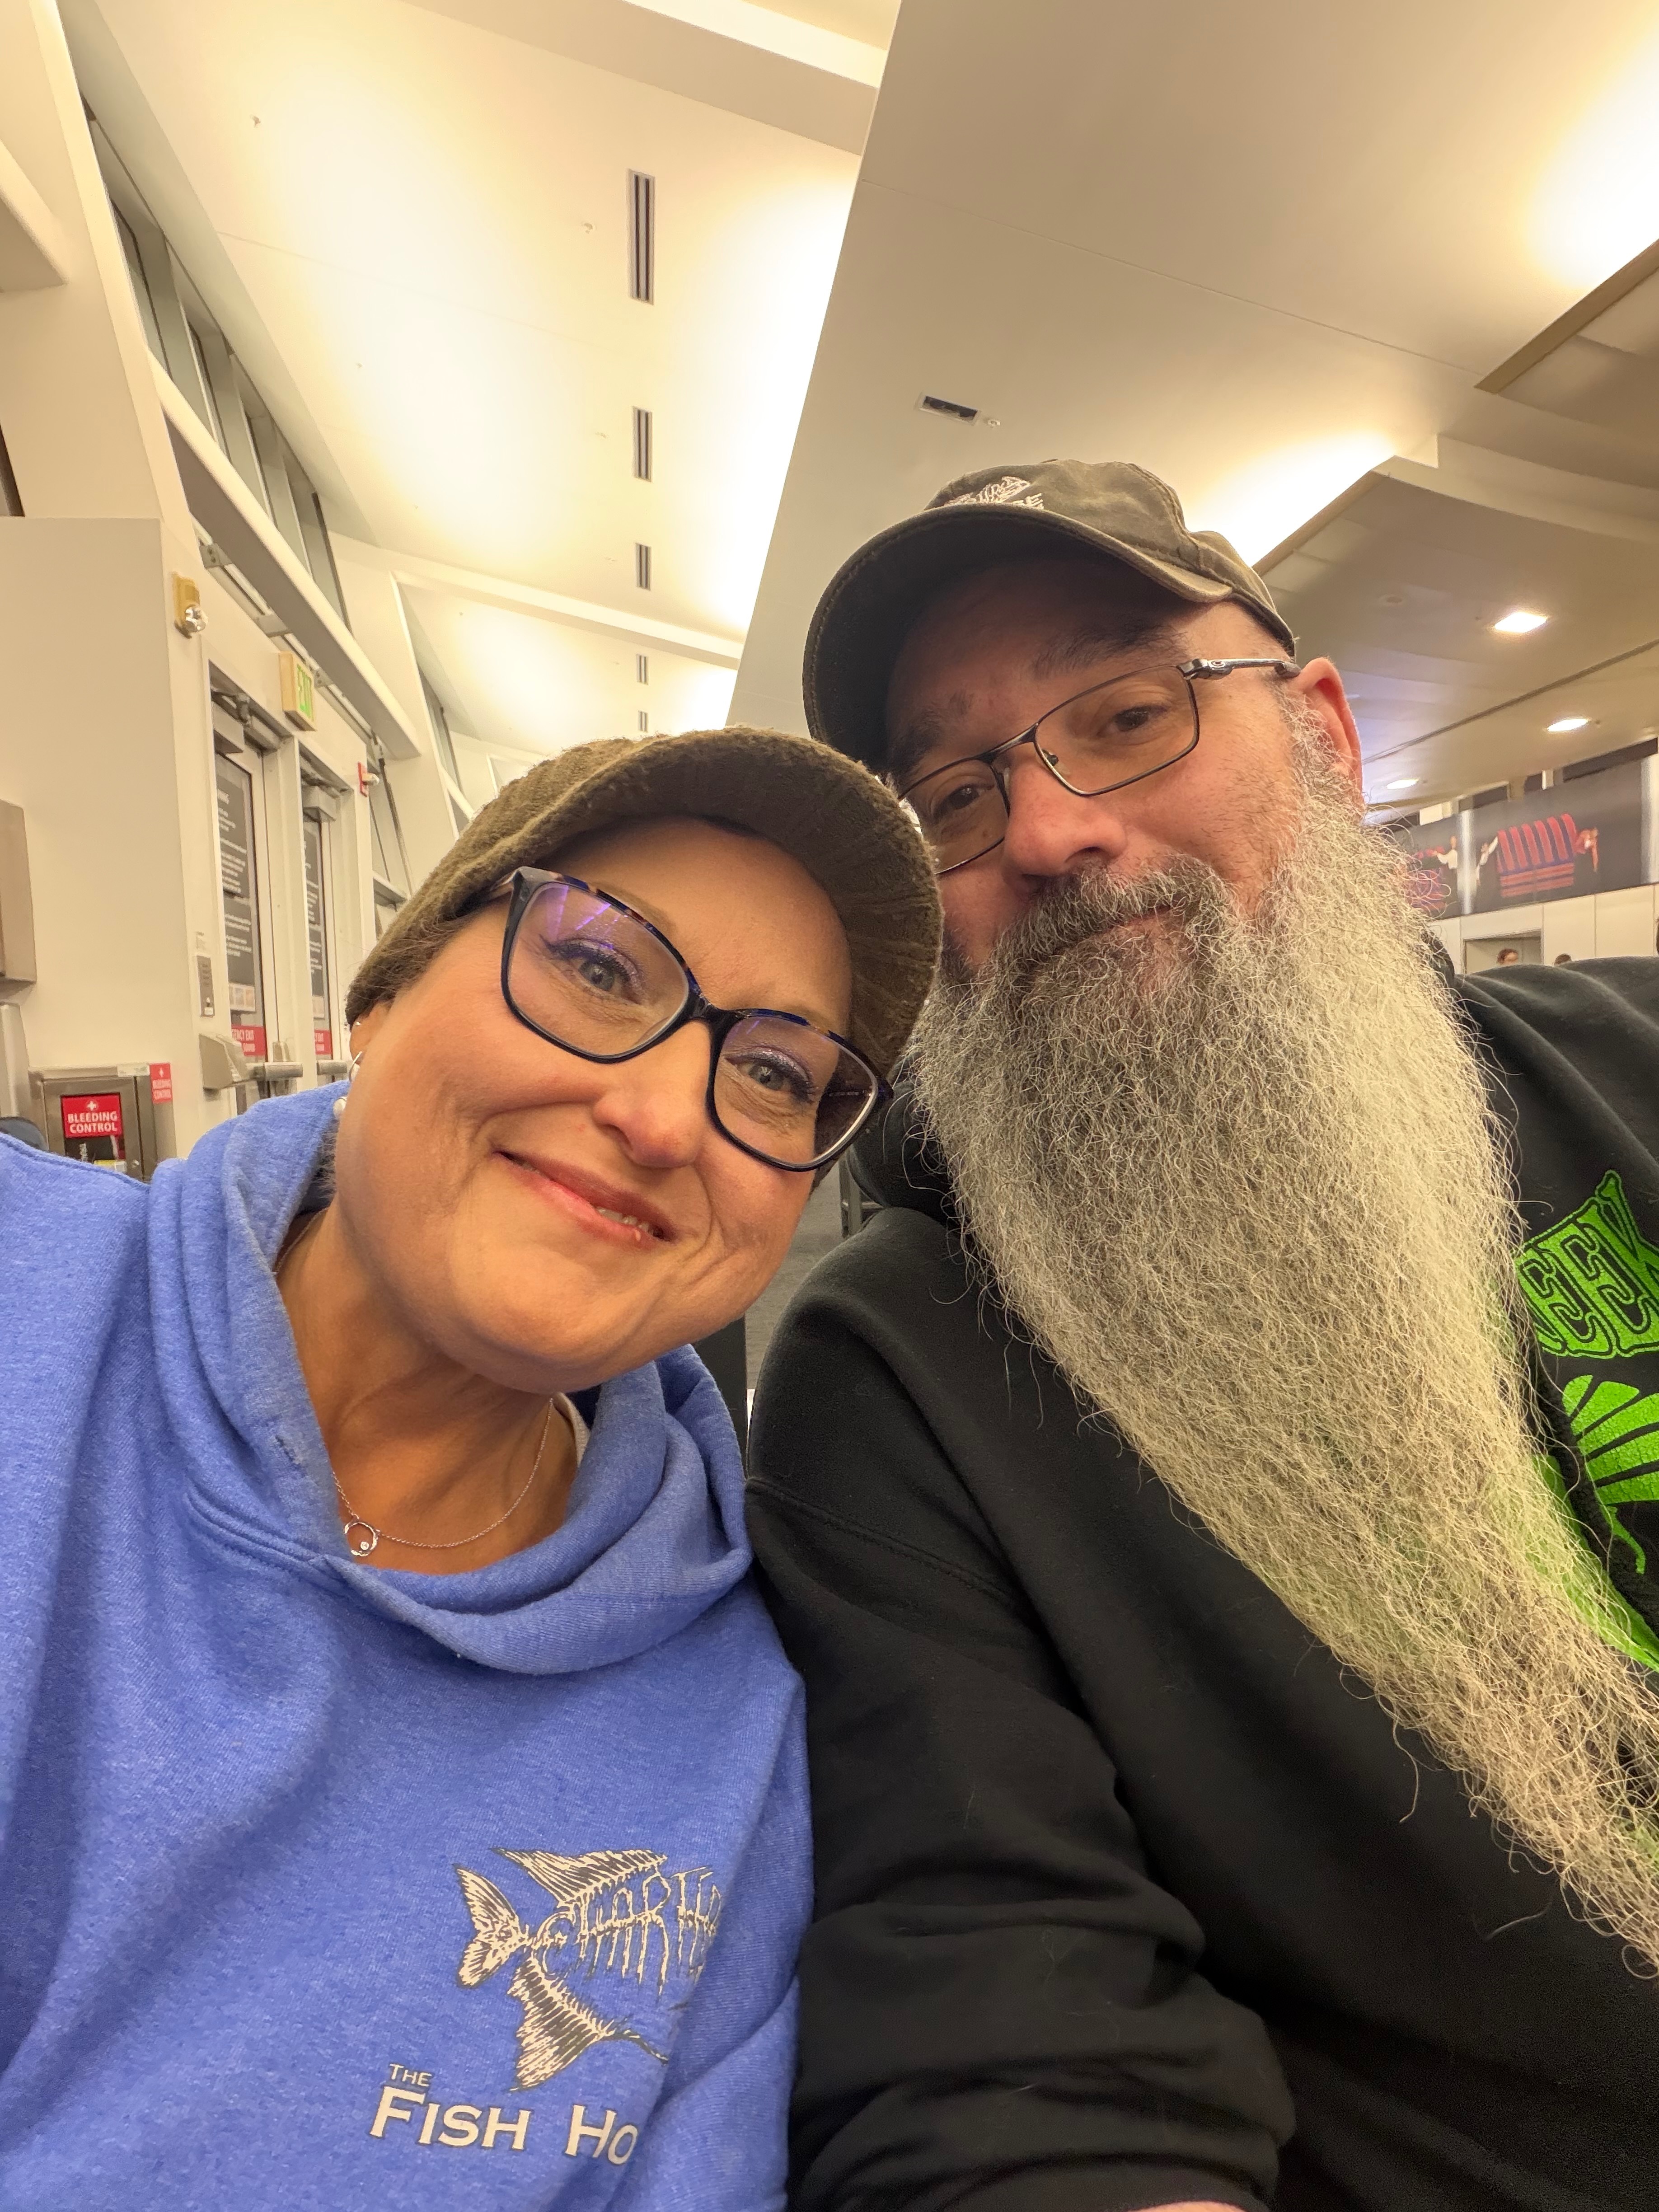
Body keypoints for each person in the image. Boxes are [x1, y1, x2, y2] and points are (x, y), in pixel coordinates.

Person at [747, 460, 1659, 2212]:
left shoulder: (1629, 1061)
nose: (1046, 832)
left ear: (1323, 738)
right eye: (954, 797)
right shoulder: (898, 1380)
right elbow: (1023, 2069)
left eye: (1125, 714)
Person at [0, 726, 939, 2210]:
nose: (659, 1117)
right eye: (601, 966)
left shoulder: (729, 1723)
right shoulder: (30, 1314)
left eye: (772, 1071)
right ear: (382, 996)